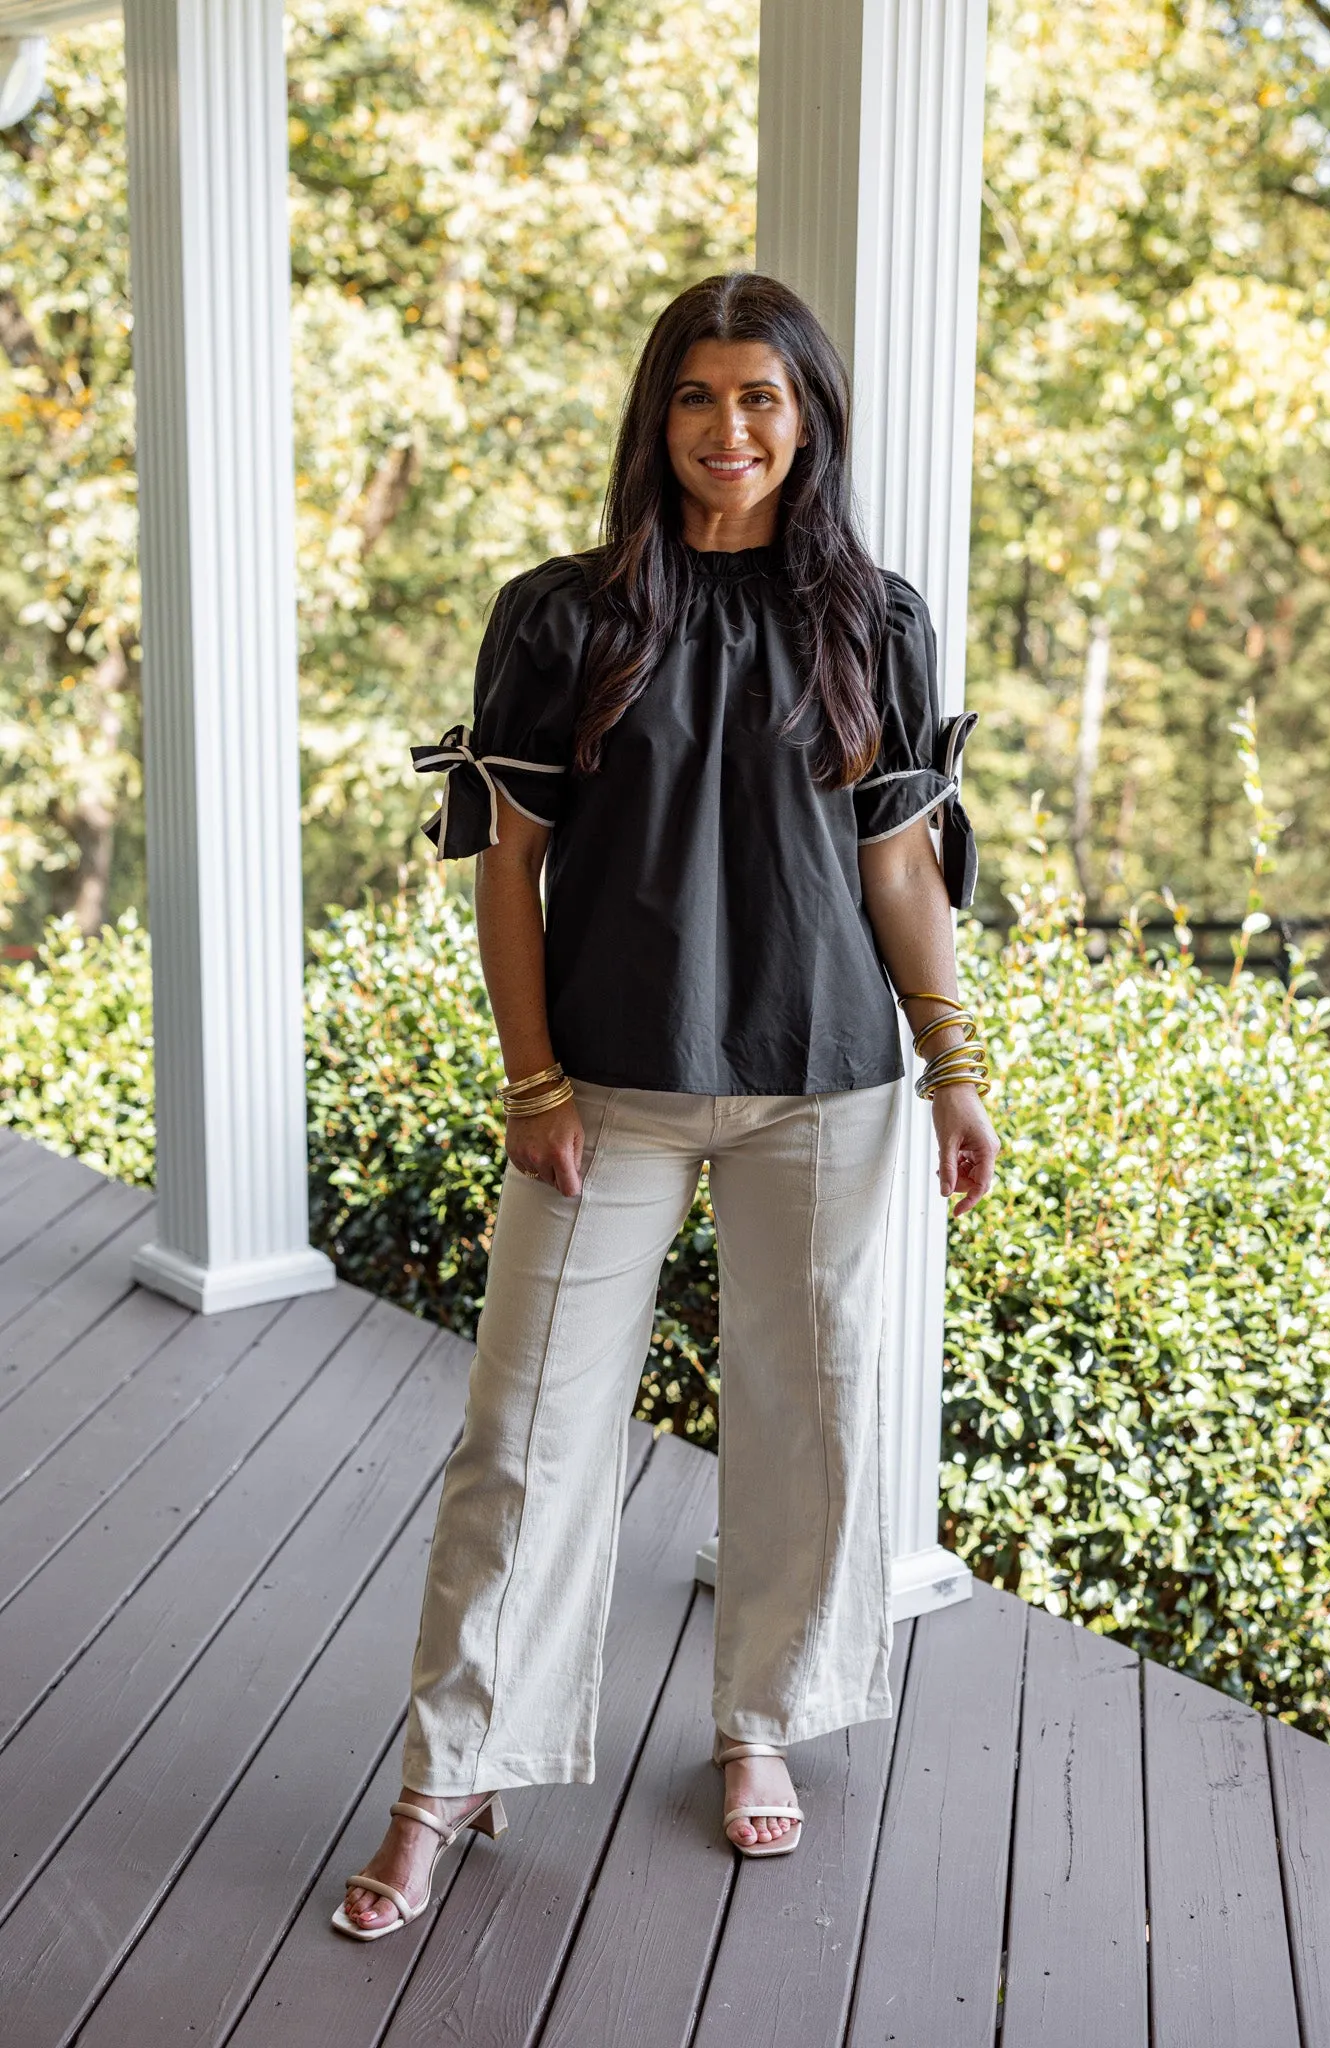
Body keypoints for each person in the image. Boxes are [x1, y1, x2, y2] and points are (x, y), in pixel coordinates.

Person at [334, 271, 999, 1940]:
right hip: (608, 1091)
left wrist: (957, 1062)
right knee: (524, 1437)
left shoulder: (876, 620)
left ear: (807, 420)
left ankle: (758, 1722)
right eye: (698, 399)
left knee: (809, 1415)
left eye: (761, 400)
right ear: (658, 417)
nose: (729, 432)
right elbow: (511, 872)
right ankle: (453, 1768)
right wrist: (531, 1078)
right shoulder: (563, 617)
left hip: (825, 1086)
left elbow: (898, 867)